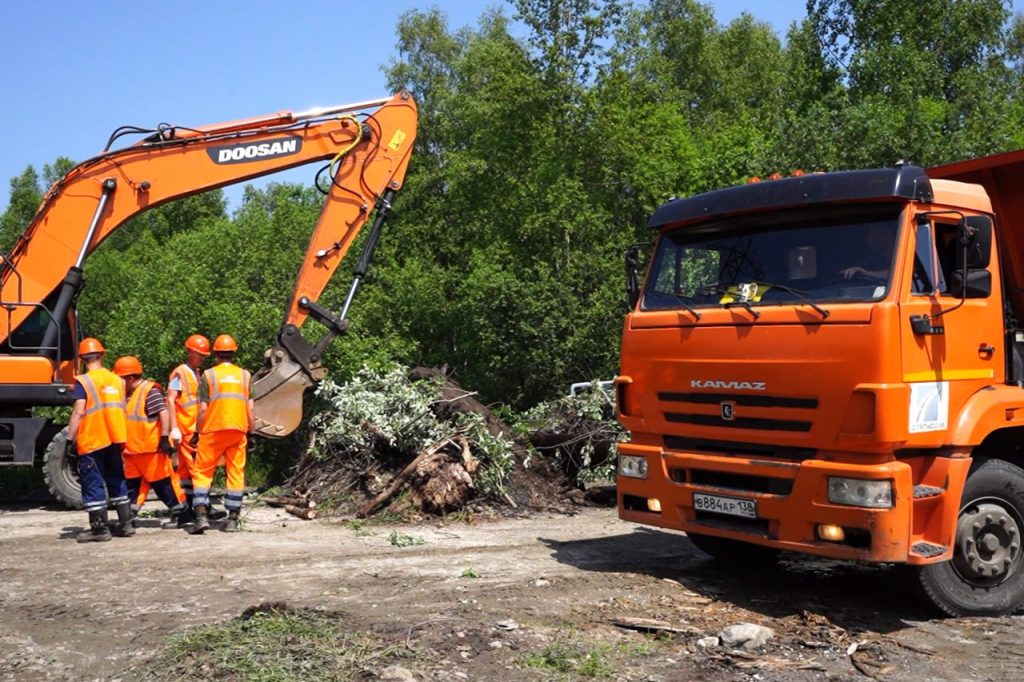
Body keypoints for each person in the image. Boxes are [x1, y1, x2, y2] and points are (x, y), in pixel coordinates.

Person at [67, 338, 133, 543]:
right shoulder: (118, 381)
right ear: (102, 355)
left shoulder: (84, 381)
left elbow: (79, 412)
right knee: (117, 480)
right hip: (115, 438)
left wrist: (70, 440)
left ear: (81, 359)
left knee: (93, 483)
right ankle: (126, 524)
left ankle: (99, 530)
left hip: (93, 439)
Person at [189, 334, 254, 533]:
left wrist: (197, 432)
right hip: (237, 429)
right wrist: (252, 433)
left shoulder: (208, 376)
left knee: (202, 471)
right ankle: (232, 519)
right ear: (234, 353)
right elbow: (250, 409)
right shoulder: (245, 376)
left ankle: (201, 517)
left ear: (216, 354)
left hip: (212, 430)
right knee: (235, 472)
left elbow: (201, 409)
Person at [114, 356, 186, 525]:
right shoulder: (129, 394)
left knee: (163, 485)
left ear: (130, 378)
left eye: (120, 378)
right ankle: (127, 517)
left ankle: (182, 516)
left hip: (149, 449)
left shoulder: (148, 391)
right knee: (132, 485)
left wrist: (164, 438)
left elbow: (163, 412)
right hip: (132, 450)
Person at [163, 334, 211, 525]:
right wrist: (174, 427)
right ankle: (199, 508)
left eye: (204, 355)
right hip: (184, 429)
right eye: (200, 354)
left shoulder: (196, 372)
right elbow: (171, 400)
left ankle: (187, 509)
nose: (203, 358)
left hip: (193, 429)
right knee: (195, 470)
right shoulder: (179, 373)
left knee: (186, 472)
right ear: (190, 351)